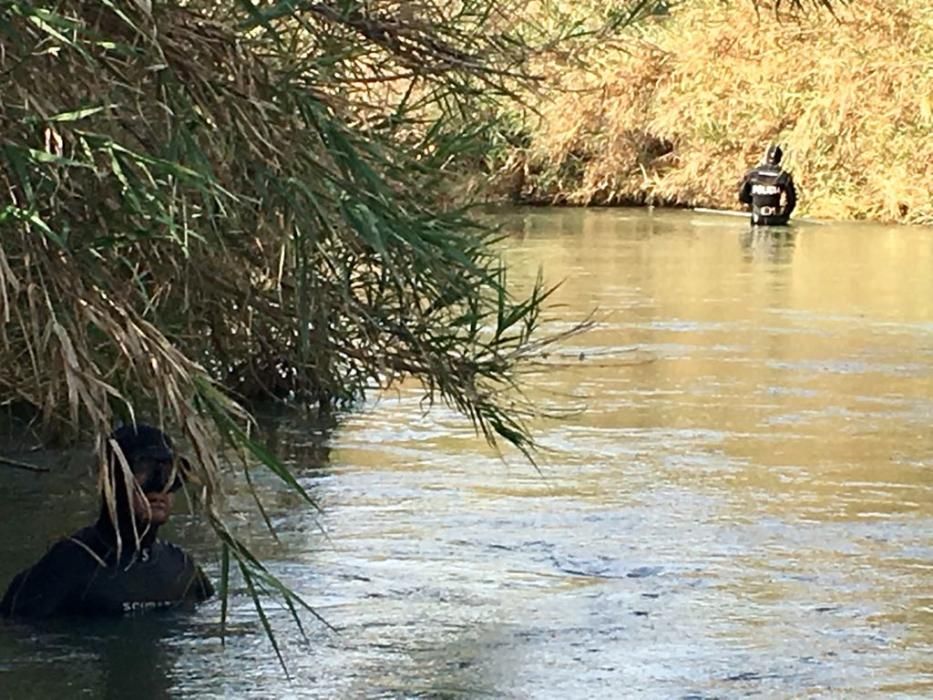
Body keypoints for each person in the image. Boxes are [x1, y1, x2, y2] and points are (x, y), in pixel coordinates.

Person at [0, 423, 214, 618]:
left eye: (169, 475)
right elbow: (16, 635)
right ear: (111, 480)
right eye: (144, 472)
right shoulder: (67, 565)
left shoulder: (182, 569)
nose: (159, 487)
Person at [738, 144, 797, 226]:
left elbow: (742, 196)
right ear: (779, 159)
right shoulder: (783, 176)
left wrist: (753, 204)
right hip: (775, 220)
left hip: (756, 218)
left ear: (766, 157)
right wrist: (784, 215)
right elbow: (791, 201)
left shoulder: (752, 174)